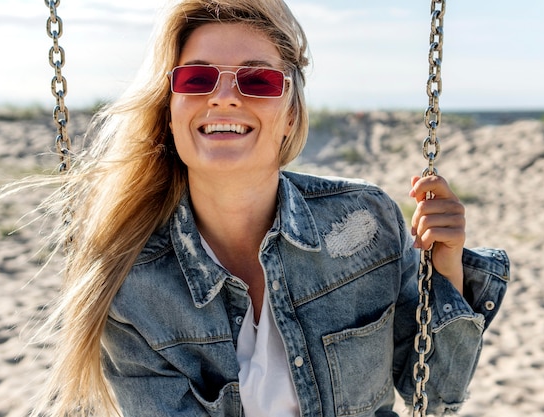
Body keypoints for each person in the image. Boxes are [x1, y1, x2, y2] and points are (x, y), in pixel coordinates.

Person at [29, 0, 509, 416]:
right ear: (169, 112)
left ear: (291, 115)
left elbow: (437, 396)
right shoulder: (133, 285)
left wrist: (445, 270)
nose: (222, 97)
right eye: (197, 78)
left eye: (257, 80)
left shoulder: (365, 221)